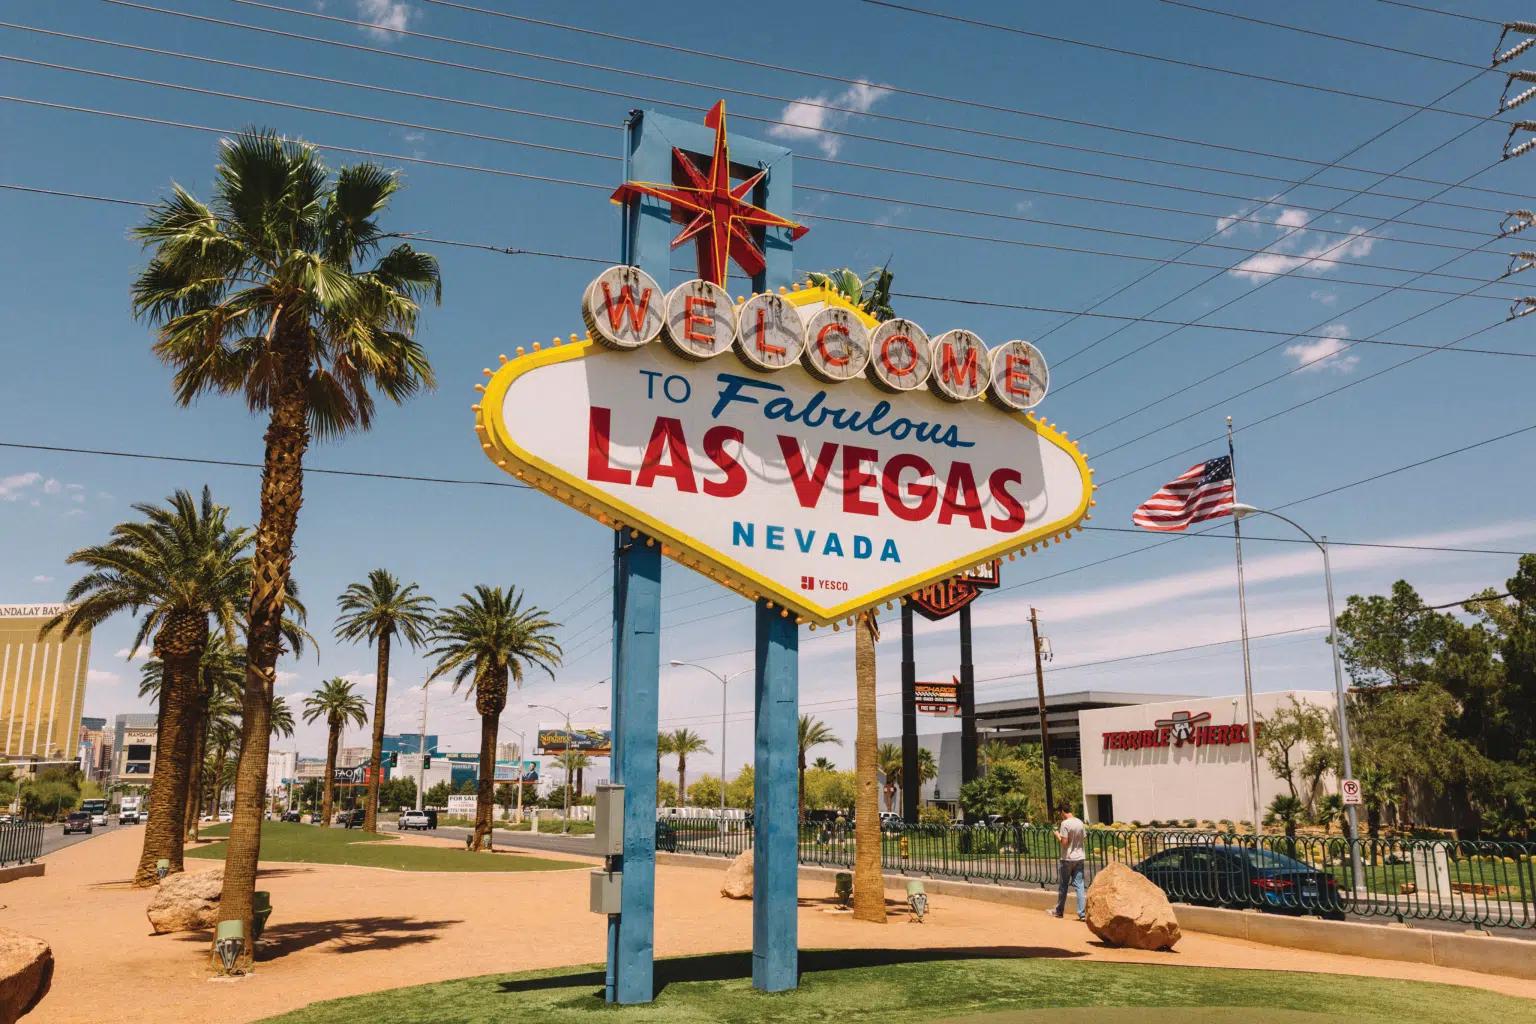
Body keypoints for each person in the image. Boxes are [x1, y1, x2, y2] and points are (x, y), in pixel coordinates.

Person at [1049, 802, 1087, 921]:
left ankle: (1059, 911)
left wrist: (1057, 835)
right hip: (1080, 857)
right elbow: (1084, 837)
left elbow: (1064, 843)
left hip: (1067, 858)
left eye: (1059, 813)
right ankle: (1082, 913)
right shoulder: (1080, 822)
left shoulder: (1065, 824)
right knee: (1079, 886)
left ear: (1062, 811)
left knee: (1063, 885)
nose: (1059, 815)